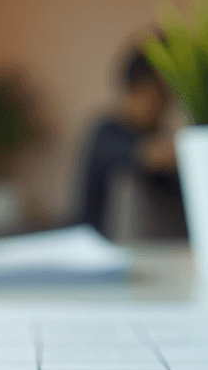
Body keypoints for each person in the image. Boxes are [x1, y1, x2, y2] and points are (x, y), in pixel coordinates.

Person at [78, 49, 185, 238]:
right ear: (138, 91)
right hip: (95, 242)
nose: (167, 103)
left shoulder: (156, 133)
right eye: (162, 92)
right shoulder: (107, 132)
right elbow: (150, 155)